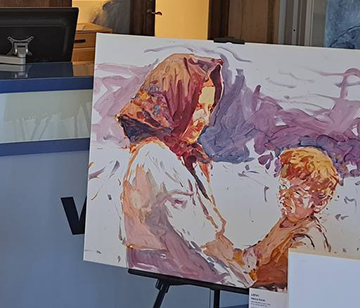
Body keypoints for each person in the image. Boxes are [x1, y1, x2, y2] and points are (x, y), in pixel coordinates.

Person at [118, 53, 252, 287]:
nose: (206, 119)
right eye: (199, 106)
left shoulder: (181, 155)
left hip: (190, 265)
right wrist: (246, 277)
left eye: (209, 108)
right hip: (172, 266)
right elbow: (198, 238)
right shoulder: (155, 157)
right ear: (175, 101)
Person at [244, 147, 339, 290]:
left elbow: (278, 282)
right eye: (283, 186)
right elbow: (257, 253)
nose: (285, 195)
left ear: (319, 202)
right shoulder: (286, 222)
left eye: (296, 192)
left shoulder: (306, 238)